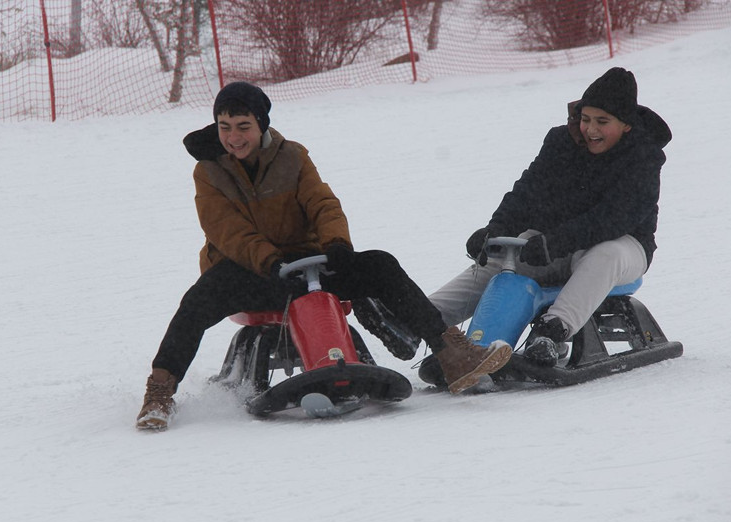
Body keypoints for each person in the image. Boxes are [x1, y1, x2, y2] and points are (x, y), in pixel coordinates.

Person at [136, 82, 513, 429]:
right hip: (252, 270)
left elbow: (323, 204)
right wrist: (271, 262)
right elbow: (228, 232)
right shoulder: (208, 171)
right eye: (225, 126)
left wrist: (337, 246)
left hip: (309, 264)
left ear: (261, 124)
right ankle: (160, 391)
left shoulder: (293, 157)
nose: (233, 137)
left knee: (380, 265)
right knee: (198, 299)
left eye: (243, 126)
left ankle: (452, 354)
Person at [429, 67, 672, 367]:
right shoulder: (561, 142)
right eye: (585, 119)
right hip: (556, 244)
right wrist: (495, 230)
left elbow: (615, 217)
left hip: (624, 249)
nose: (590, 130)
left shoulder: (644, 156)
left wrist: (557, 241)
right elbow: (528, 192)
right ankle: (423, 318)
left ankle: (553, 332)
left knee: (605, 253)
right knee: (503, 258)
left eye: (602, 122)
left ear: (626, 125)